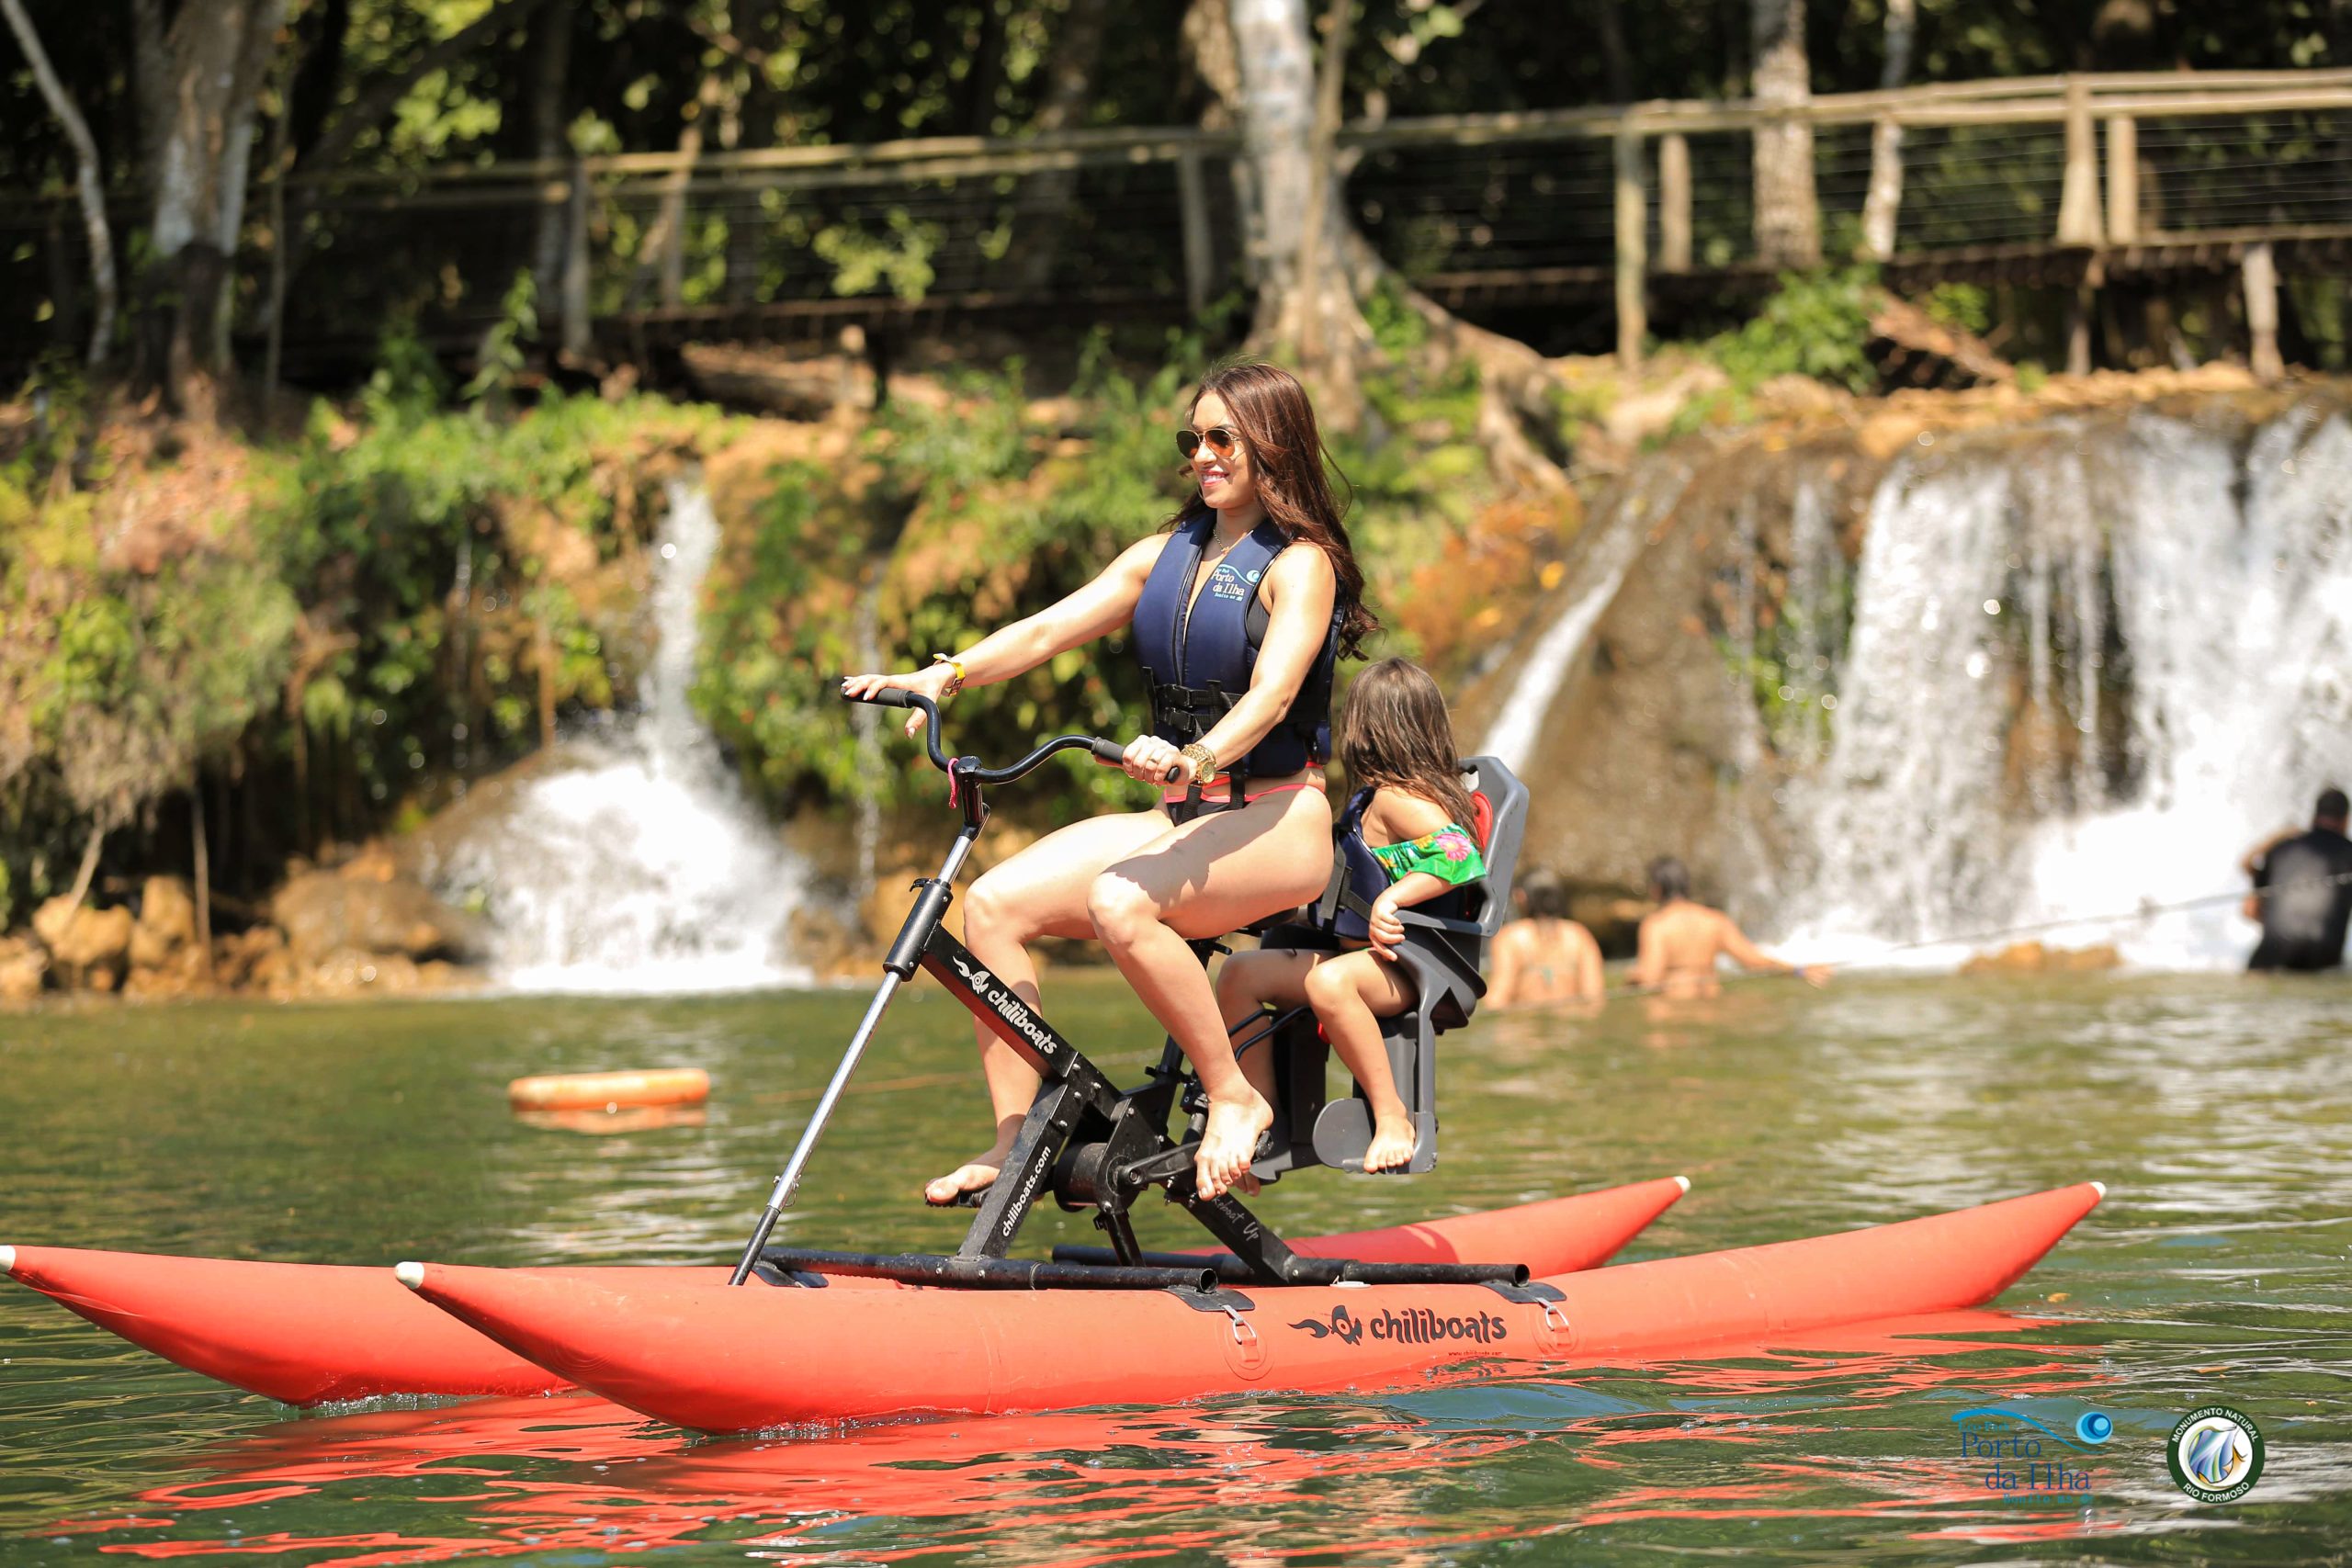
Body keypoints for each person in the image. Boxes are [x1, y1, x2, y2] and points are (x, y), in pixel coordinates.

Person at [842, 362, 1375, 1203]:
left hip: (1279, 821)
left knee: (1119, 901)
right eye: (1192, 438)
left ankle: (1236, 1096)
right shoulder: (1164, 556)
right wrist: (947, 675)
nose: (1202, 454)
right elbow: (1047, 630)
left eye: (1223, 438)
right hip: (1183, 820)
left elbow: (1273, 695)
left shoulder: (1300, 565)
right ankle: (1015, 1139)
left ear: (1272, 443)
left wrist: (1197, 757)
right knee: (992, 905)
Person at [1213, 659, 1487, 1174]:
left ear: (1364, 730)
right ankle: (1262, 1119)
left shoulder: (1400, 799)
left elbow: (1459, 855)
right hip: (1361, 960)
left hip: (1410, 968)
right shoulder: (1371, 798)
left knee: (1330, 983)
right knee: (1238, 974)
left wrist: (1392, 899)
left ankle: (1392, 1117)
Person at [1631, 857, 1828, 998]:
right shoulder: (1715, 920)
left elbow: (1650, 979)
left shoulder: (1656, 925)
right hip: (1712, 1004)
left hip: (1675, 1009)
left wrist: (1632, 977)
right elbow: (1755, 962)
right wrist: (1798, 971)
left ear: (1656, 889)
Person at [2243, 788, 2352, 973]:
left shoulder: (2281, 848)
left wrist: (2276, 837)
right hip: (2322, 961)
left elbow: (2249, 909)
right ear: (2346, 819)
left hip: (2268, 957)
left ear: (2314, 816)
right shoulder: (2349, 852)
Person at [1487, 867, 1604, 1009]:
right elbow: (1594, 999)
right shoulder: (1579, 935)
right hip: (1570, 1020)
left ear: (1520, 897)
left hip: (1526, 1021)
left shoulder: (1510, 938)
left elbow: (1496, 1001)